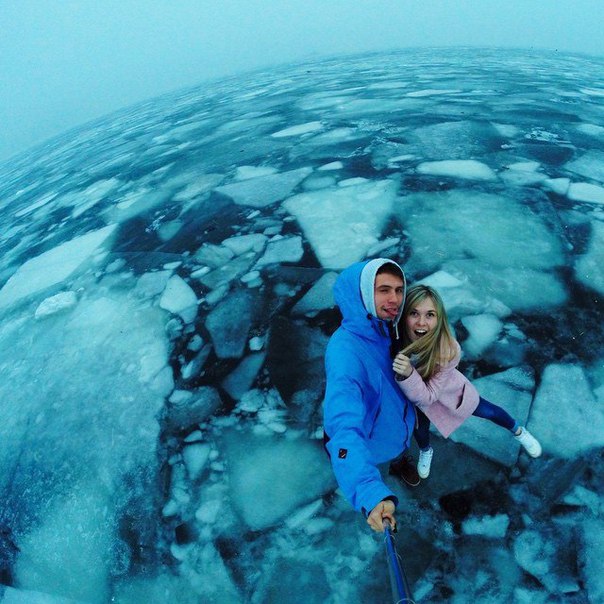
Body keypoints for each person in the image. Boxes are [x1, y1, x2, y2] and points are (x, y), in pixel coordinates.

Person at [392, 284, 542, 480]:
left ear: (439, 319)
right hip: (418, 401)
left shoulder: (448, 349)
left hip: (449, 394)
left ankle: (519, 432)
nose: (421, 322)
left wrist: (408, 373)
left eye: (430, 315)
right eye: (414, 313)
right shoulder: (396, 339)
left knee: (489, 411)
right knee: (420, 431)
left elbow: (429, 396)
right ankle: (426, 451)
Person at [323, 258, 418, 533]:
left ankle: (401, 460)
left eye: (399, 290)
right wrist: (369, 492)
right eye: (383, 290)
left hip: (397, 424)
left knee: (400, 449)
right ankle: (383, 472)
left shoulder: (388, 328)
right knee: (379, 463)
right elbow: (344, 429)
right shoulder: (345, 354)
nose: (395, 299)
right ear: (363, 293)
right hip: (375, 442)